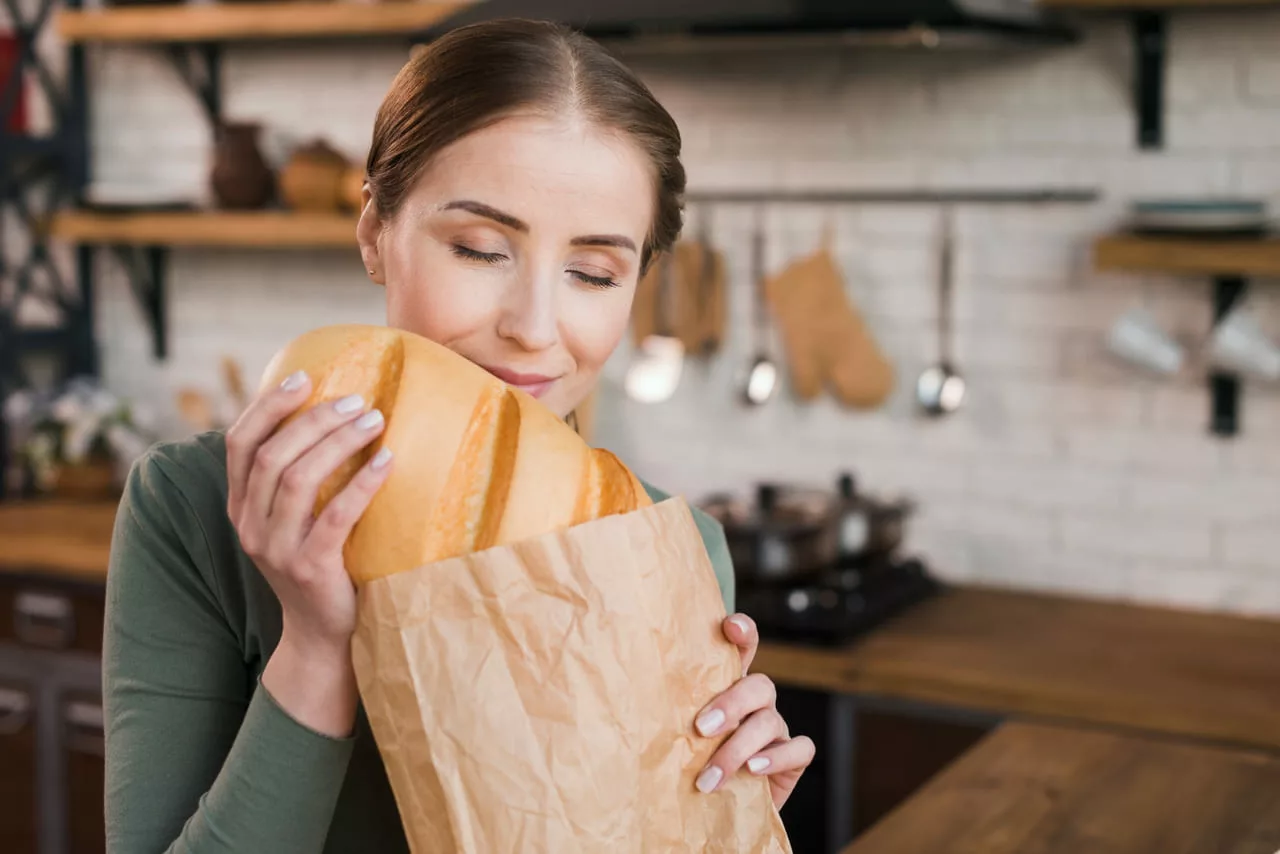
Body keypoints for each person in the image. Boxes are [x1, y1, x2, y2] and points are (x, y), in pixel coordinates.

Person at [103, 17, 815, 853]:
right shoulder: (192, 507)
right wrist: (319, 646)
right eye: (480, 249)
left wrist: (716, 814)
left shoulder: (672, 547)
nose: (534, 326)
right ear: (376, 233)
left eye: (593, 273)